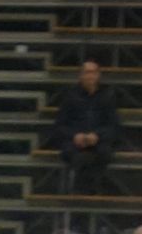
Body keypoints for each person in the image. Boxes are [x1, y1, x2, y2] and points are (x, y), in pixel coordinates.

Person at [52, 59, 122, 194]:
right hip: (74, 142)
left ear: (98, 75)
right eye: (87, 72)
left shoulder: (107, 97)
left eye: (93, 72)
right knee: (77, 155)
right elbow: (60, 126)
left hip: (99, 142)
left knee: (102, 153)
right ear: (81, 75)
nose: (90, 76)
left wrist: (97, 136)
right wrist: (75, 136)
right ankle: (83, 192)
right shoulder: (70, 97)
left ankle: (89, 191)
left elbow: (114, 126)